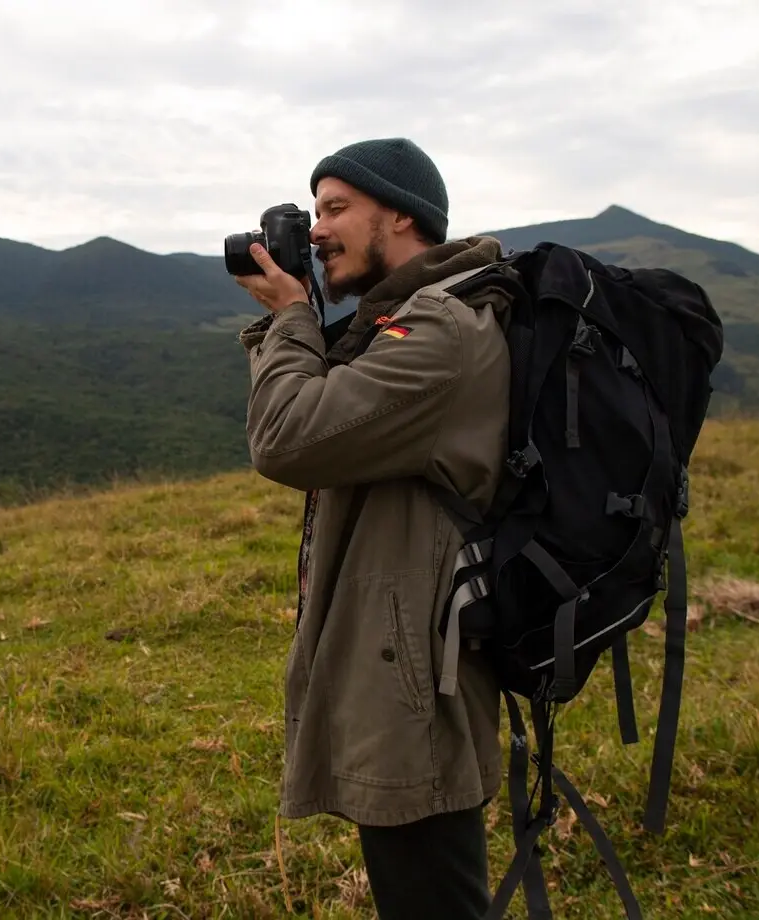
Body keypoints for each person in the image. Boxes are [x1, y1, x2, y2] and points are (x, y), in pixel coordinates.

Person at [233, 137, 513, 918]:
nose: (316, 230)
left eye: (335, 208)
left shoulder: (443, 330)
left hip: (415, 682)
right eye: (314, 209)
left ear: (400, 215)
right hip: (399, 667)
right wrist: (306, 320)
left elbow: (289, 438)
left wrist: (291, 316)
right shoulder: (404, 318)